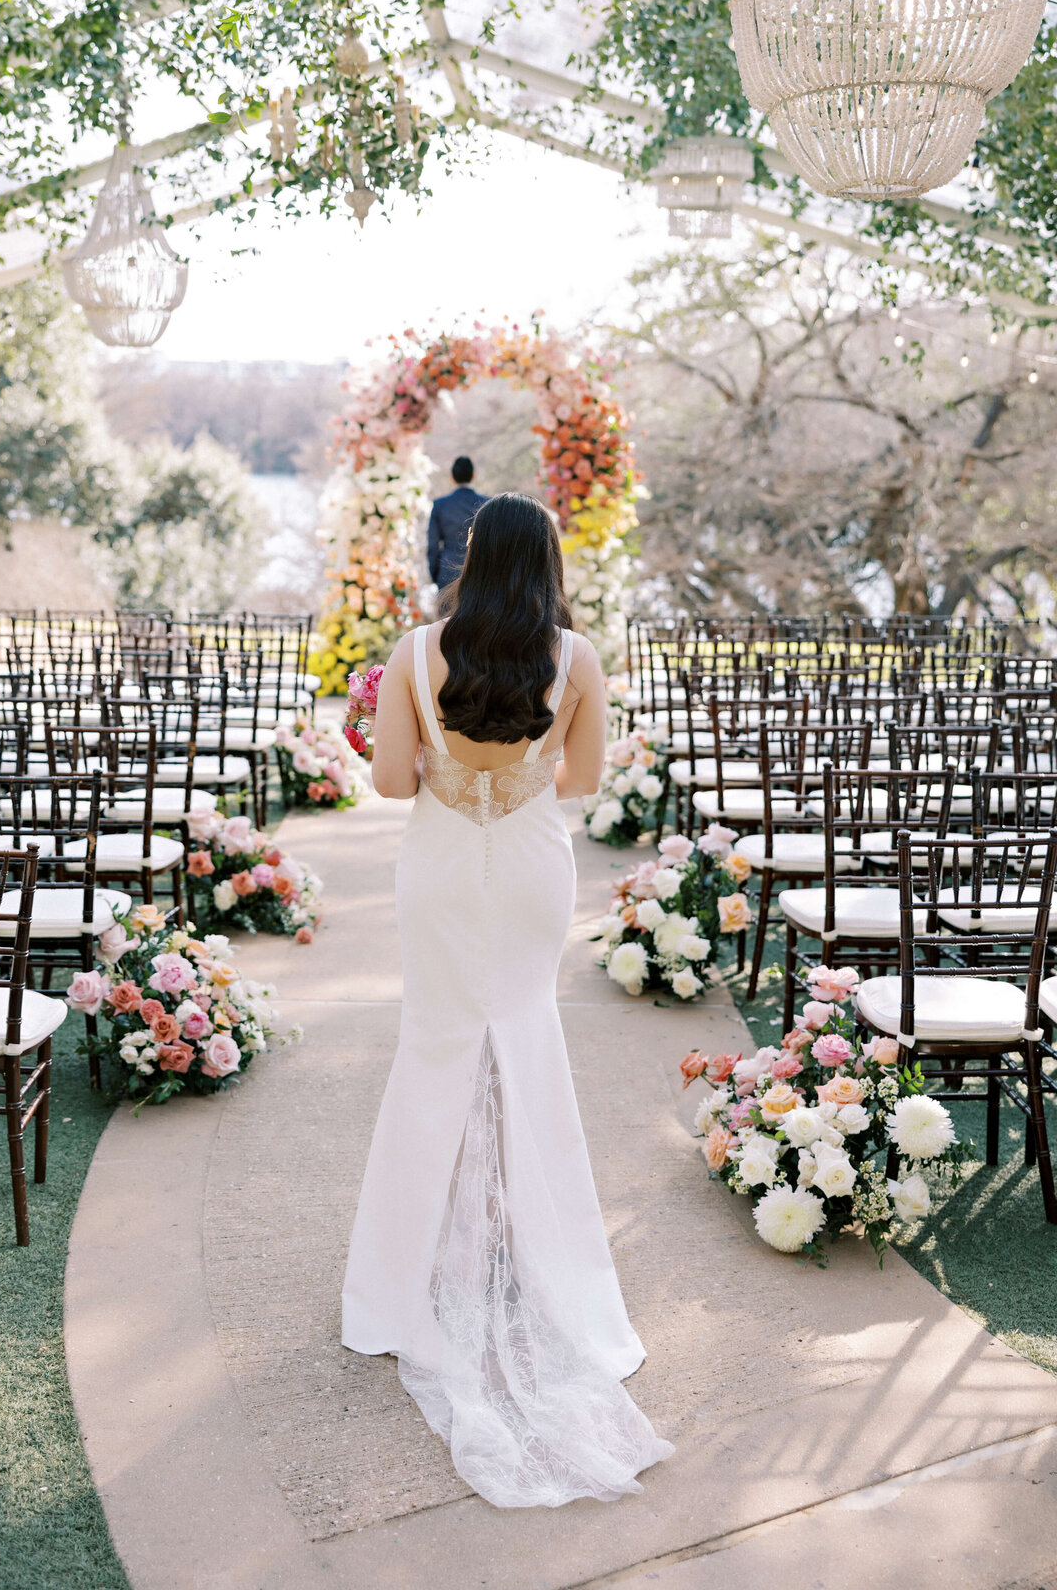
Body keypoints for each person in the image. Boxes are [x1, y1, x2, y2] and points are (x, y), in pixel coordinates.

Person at [342, 493, 671, 1509]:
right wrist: (511, 779)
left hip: (441, 865)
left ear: (472, 557)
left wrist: (433, 760)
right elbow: (578, 782)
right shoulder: (575, 657)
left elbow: (394, 781)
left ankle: (401, 1291)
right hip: (528, 865)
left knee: (434, 1051)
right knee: (524, 1050)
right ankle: (543, 1268)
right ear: (548, 562)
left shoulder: (415, 648)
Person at [427, 455, 488, 590]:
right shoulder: (487, 504)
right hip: (481, 572)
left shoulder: (440, 505)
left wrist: (435, 574)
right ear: (473, 475)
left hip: (447, 571)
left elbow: (433, 545)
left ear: (452, 477)